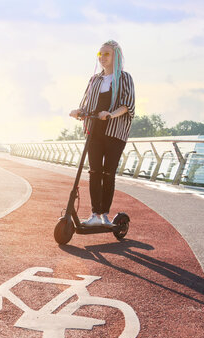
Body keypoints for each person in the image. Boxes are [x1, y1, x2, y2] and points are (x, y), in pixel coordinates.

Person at [69, 40, 135, 227]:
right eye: (100, 54)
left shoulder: (124, 78)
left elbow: (128, 105)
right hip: (94, 131)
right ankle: (95, 215)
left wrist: (111, 115)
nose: (102, 57)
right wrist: (78, 112)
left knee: (108, 173)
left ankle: (104, 214)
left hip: (115, 131)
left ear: (116, 56)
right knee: (94, 171)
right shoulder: (95, 80)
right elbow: (86, 103)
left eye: (106, 54)